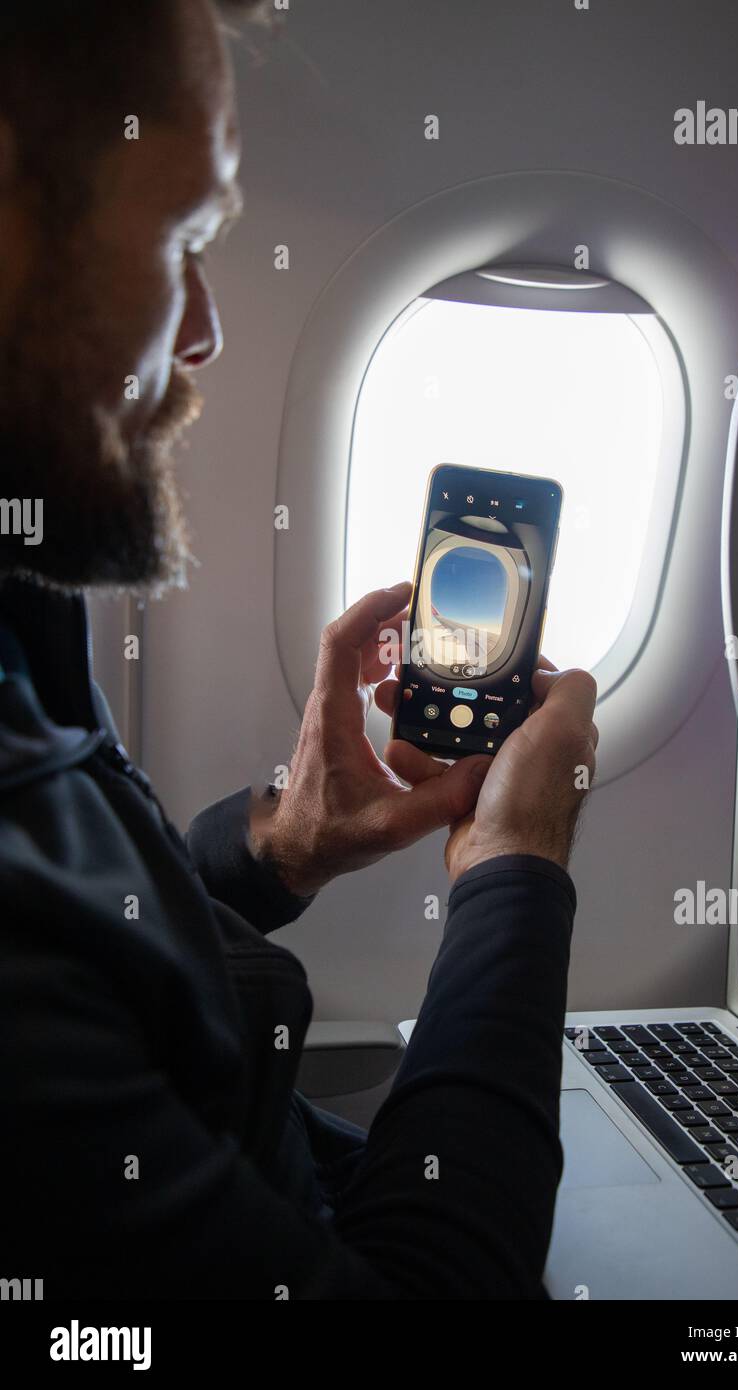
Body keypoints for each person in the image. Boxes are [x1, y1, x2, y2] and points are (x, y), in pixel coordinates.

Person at [0, 1, 598, 1299]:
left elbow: (112, 937)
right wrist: (514, 875)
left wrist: (278, 842)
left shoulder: (23, 600)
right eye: (187, 238)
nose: (205, 327)